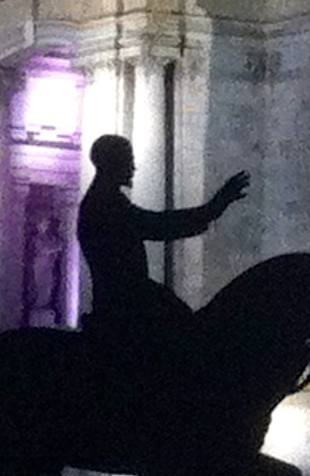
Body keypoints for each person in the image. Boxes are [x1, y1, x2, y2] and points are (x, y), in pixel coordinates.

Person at [75, 134, 248, 374]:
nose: (133, 167)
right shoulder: (106, 204)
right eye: (128, 160)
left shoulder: (105, 200)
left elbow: (156, 224)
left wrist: (212, 209)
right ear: (113, 162)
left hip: (125, 299)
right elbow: (158, 225)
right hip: (128, 304)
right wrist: (213, 207)